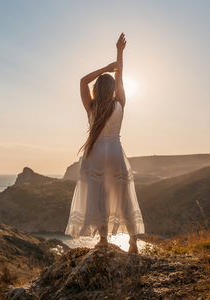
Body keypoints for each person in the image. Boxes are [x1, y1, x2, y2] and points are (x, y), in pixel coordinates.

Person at [64, 33, 145, 254]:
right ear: (112, 90)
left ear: (96, 90)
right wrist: (119, 53)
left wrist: (105, 68)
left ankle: (102, 239)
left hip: (96, 153)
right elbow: (121, 77)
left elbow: (82, 81)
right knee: (123, 195)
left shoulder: (91, 107)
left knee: (98, 194)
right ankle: (133, 242)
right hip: (116, 152)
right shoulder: (120, 103)